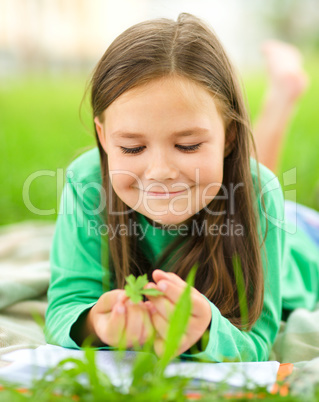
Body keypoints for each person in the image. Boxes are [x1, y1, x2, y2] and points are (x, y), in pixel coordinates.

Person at [44, 13, 319, 362]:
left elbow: (256, 341)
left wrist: (207, 334)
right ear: (103, 136)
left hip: (307, 237)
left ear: (229, 136)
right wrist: (96, 326)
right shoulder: (86, 182)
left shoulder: (263, 196)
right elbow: (65, 306)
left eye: (187, 145)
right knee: (235, 180)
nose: (160, 172)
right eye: (132, 148)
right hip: (230, 188)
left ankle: (282, 95)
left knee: (252, 182)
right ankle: (280, 91)